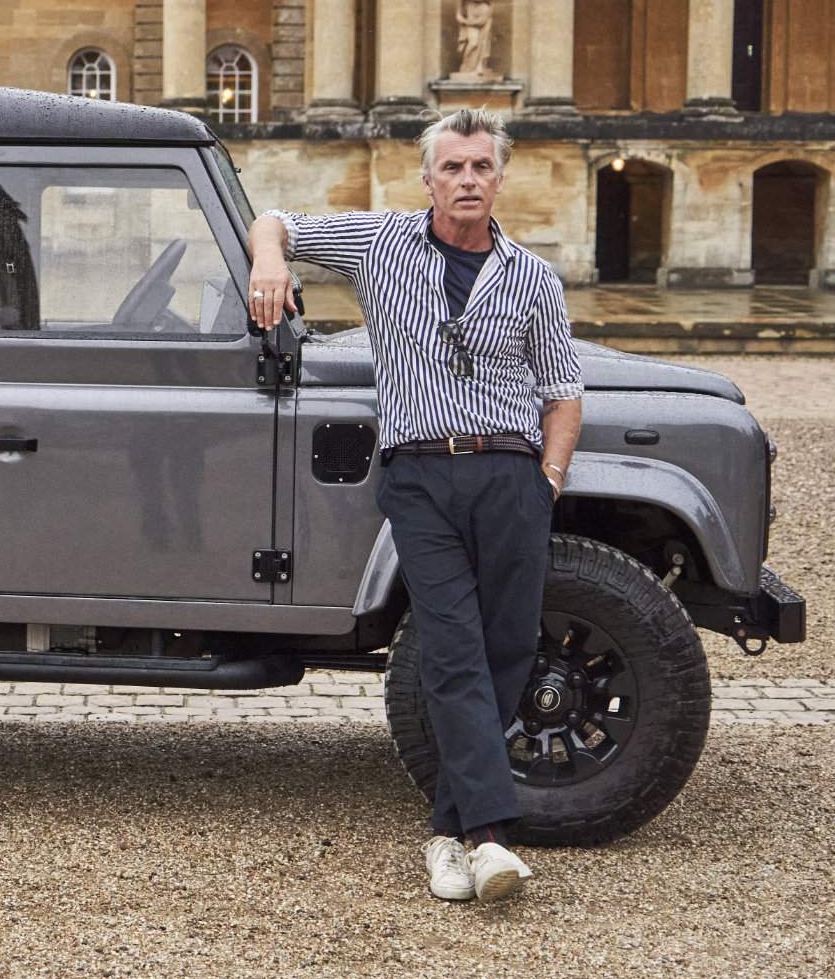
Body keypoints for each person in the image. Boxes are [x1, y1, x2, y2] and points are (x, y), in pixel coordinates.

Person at [245, 107, 583, 904]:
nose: (467, 179)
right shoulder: (380, 242)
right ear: (426, 179)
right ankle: (489, 840)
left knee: (508, 650)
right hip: (420, 475)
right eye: (452, 167)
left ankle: (445, 835)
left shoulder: (532, 278)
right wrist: (268, 262)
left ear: (498, 179)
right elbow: (276, 220)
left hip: (511, 476)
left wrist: (548, 479)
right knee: (452, 648)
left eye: (480, 167)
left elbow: (562, 393)